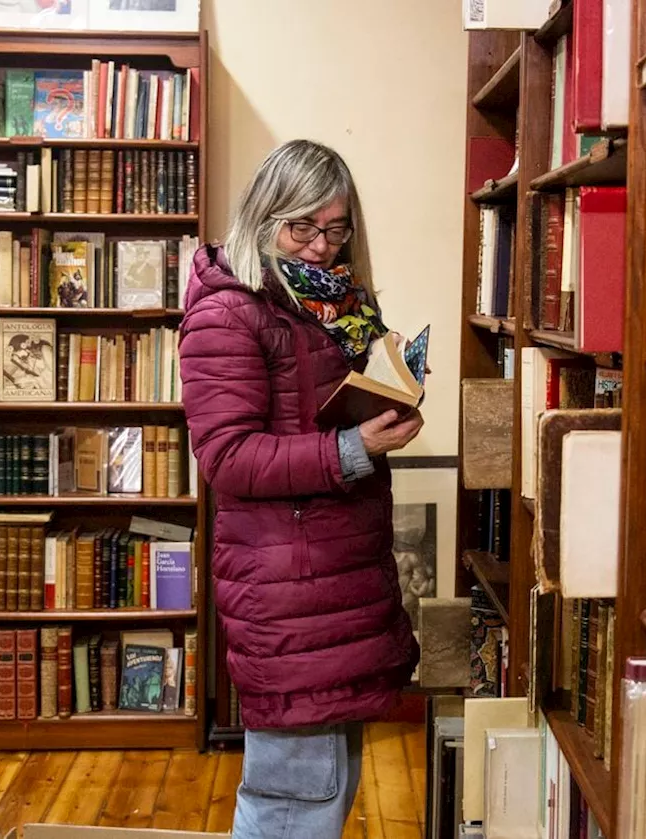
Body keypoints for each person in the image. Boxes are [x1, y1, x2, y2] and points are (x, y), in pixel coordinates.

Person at [179, 139, 422, 838]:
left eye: (336, 229)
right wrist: (354, 448)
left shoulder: (327, 300)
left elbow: (325, 400)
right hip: (288, 593)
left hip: (333, 586)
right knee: (294, 803)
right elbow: (228, 457)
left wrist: (388, 376)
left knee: (329, 789)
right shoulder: (229, 312)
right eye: (302, 228)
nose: (321, 246)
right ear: (264, 218)